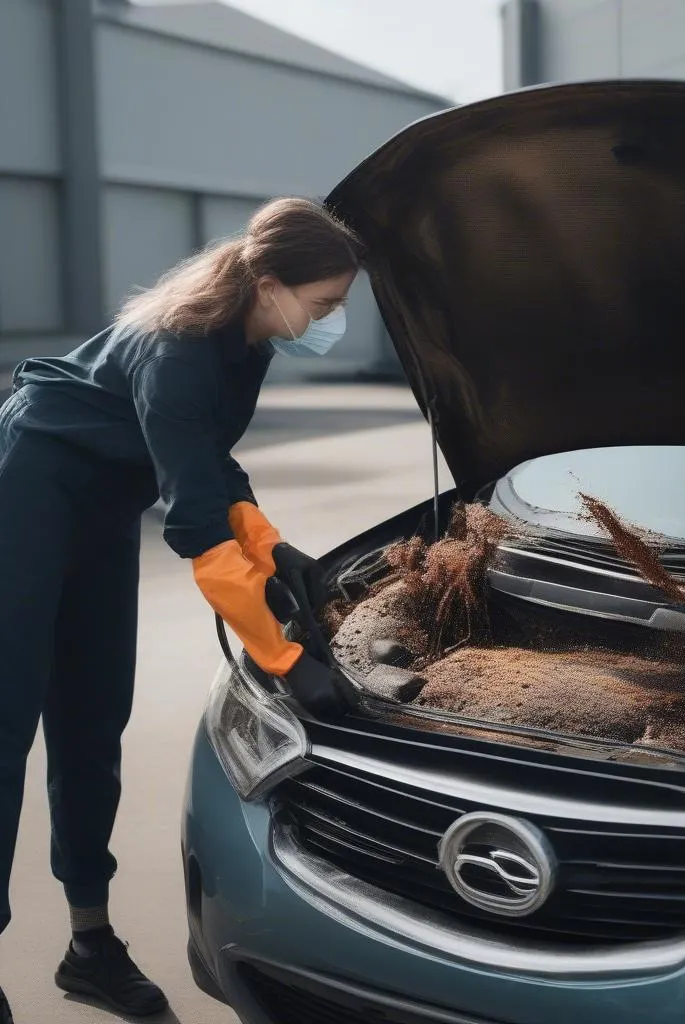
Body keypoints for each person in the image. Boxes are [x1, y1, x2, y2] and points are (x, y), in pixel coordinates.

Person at [0, 197, 362, 1021]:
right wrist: (284, 658)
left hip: (99, 509)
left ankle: (88, 946)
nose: (330, 320)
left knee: (93, 723)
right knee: (5, 725)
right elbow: (195, 526)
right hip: (24, 493)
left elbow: (206, 465)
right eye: (325, 304)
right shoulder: (180, 349)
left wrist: (274, 549)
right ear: (270, 283)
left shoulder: (250, 338)